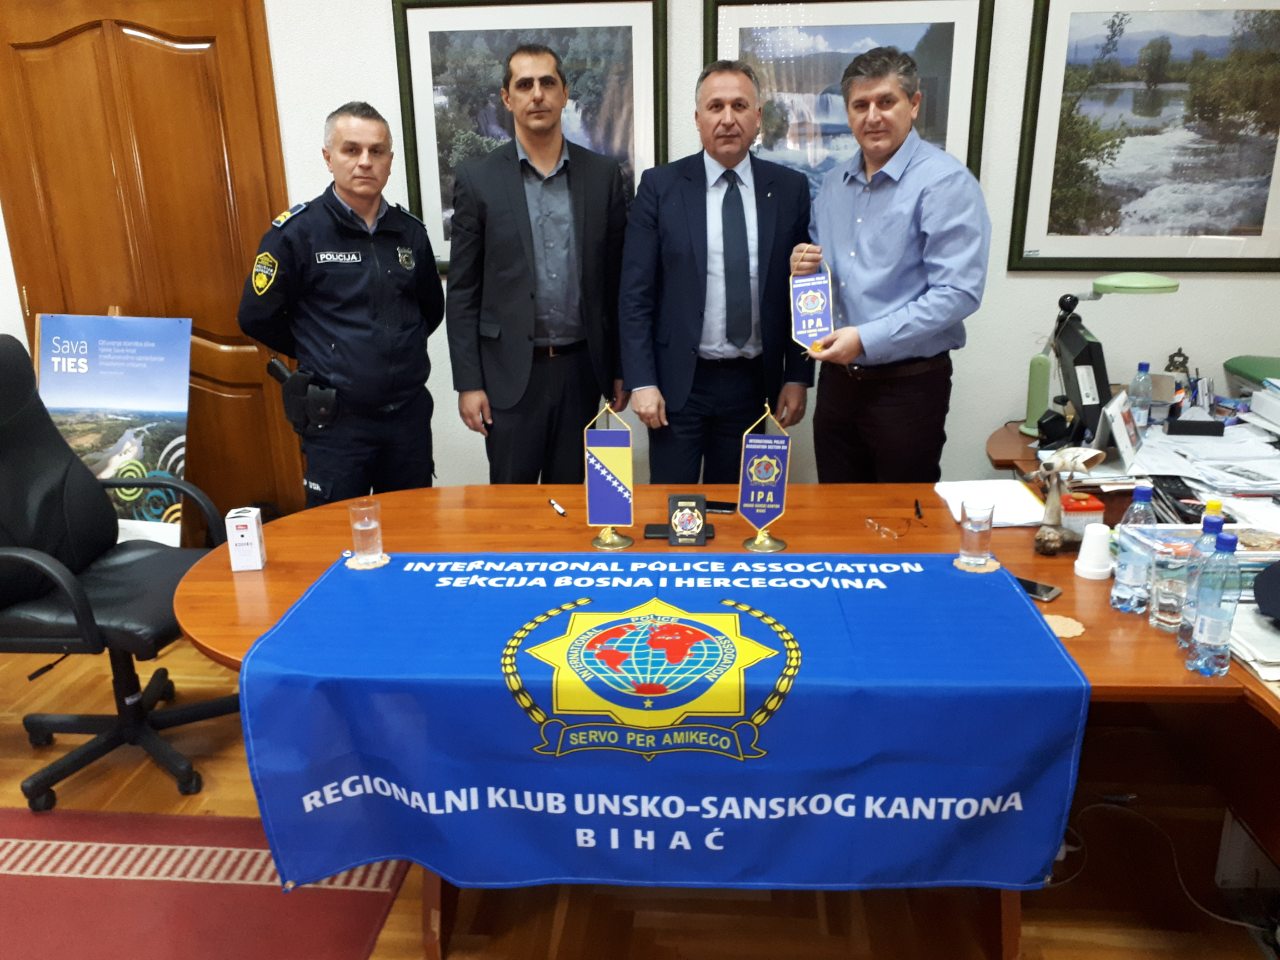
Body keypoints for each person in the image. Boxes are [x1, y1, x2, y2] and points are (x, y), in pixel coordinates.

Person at [791, 47, 990, 483]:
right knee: (838, 512)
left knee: (903, 517)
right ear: (848, 112)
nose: (873, 117)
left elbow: (958, 293)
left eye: (886, 101)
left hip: (908, 389)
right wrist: (804, 270)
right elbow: (824, 277)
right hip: (838, 384)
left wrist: (865, 338)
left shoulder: (945, 183)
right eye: (860, 105)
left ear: (914, 104)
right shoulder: (832, 186)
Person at [238, 102, 444, 507]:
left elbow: (430, 310)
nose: (365, 161)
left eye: (377, 151)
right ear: (328, 157)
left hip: (407, 418)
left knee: (413, 528)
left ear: (389, 161)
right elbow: (255, 316)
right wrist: (322, 350)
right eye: (351, 149)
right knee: (335, 534)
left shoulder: (410, 233)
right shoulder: (297, 234)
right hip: (336, 423)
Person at [619, 60, 811, 484]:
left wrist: (797, 376)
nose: (727, 119)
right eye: (715, 106)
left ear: (757, 117)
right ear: (697, 118)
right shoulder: (660, 187)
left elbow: (802, 289)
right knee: (674, 509)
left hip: (752, 384)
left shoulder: (789, 189)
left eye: (739, 106)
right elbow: (635, 295)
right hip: (677, 385)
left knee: (737, 508)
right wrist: (641, 381)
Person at [446, 44, 631, 484]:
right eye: (524, 84)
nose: (537, 94)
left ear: (564, 93)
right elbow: (463, 292)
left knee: (574, 501)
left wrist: (622, 368)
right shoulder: (478, 179)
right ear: (507, 98)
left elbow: (618, 282)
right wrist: (468, 383)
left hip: (582, 372)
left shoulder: (603, 176)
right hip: (508, 377)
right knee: (512, 508)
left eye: (548, 83)